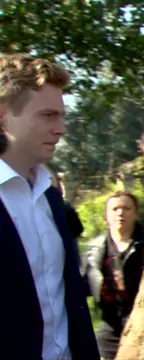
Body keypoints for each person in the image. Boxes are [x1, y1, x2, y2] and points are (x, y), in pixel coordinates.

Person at [0, 53, 99, 359]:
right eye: (48, 115)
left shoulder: (50, 197)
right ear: (2, 115)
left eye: (61, 116)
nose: (61, 129)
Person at [84, 191, 144, 360]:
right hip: (111, 323)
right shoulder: (95, 249)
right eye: (114, 209)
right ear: (106, 215)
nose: (120, 213)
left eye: (126, 208)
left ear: (136, 214)